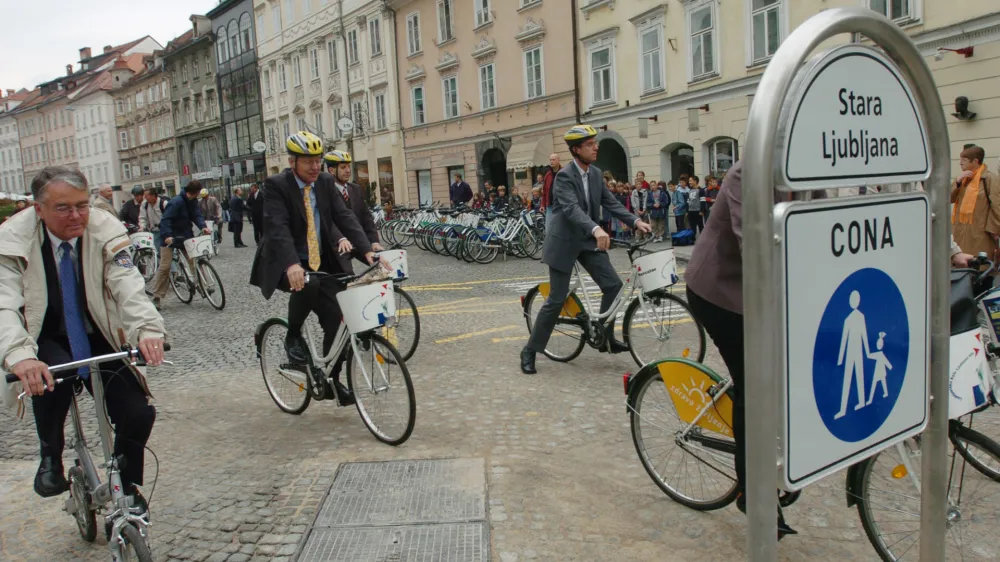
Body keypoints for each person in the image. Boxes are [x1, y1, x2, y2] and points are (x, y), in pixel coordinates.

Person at [0, 166, 164, 512]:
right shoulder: (11, 239)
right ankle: (50, 454)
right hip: (44, 334)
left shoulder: (104, 228)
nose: (76, 215)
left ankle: (126, 482)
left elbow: (128, 284)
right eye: (63, 208)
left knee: (138, 412)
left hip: (99, 329)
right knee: (51, 375)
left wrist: (147, 329)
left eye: (82, 205)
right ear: (38, 208)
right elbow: (4, 303)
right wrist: (19, 355)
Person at [684, 160, 797, 538]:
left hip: (764, 292)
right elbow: (757, 242)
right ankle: (754, 491)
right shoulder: (747, 173)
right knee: (755, 382)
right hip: (721, 291)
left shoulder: (812, 171)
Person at [249, 132, 375, 406]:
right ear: (292, 161)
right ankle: (293, 336)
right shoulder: (276, 185)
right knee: (308, 283)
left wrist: (366, 250)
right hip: (285, 260)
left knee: (340, 321)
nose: (315, 167)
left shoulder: (326, 181)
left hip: (321, 260)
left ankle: (331, 378)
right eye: (308, 162)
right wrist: (292, 263)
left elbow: (345, 216)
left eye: (318, 161)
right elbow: (277, 227)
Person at [520, 125, 651, 374]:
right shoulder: (564, 177)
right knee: (556, 299)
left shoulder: (595, 174)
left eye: (595, 143)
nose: (596, 147)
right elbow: (571, 209)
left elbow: (611, 203)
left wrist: (635, 221)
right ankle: (530, 350)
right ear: (576, 150)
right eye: (590, 144)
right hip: (564, 243)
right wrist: (596, 230)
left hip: (588, 241)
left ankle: (606, 337)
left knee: (613, 285)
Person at [149, 181, 212, 310]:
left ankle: (200, 285)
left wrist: (203, 227)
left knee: (193, 260)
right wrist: (166, 236)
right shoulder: (176, 202)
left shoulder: (193, 201)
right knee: (165, 267)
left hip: (185, 235)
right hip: (169, 237)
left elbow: (197, 215)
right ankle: (157, 296)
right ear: (195, 192)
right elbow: (165, 220)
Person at [323, 151, 383, 252]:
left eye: (348, 167)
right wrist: (340, 238)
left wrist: (374, 241)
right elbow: (328, 221)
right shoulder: (326, 191)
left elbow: (366, 217)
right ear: (331, 170)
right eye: (343, 167)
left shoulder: (355, 189)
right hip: (337, 246)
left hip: (358, 241)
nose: (347, 170)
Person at [951, 145, 1000, 259]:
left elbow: (997, 206)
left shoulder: (989, 179)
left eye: (964, 160)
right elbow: (949, 198)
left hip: (980, 234)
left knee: (979, 267)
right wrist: (957, 181)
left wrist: (994, 229)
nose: (960, 163)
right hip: (960, 232)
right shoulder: (963, 179)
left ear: (975, 161)